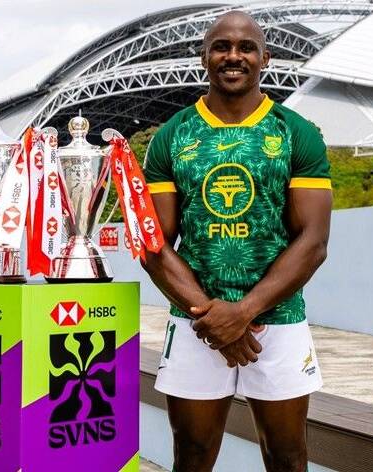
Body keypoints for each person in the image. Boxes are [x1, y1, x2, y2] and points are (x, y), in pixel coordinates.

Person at [141, 10, 332, 472]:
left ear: (265, 58)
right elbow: (154, 244)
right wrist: (213, 318)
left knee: (287, 456)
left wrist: (242, 313)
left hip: (278, 320)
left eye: (246, 47)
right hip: (196, 321)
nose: (233, 56)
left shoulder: (296, 133)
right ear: (203, 57)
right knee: (192, 454)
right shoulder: (172, 136)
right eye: (221, 47)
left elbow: (313, 241)